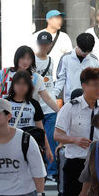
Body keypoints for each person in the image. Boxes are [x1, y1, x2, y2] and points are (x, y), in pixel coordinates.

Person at [53, 67, 99, 196]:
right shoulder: (70, 107)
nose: (98, 89)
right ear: (84, 86)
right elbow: (57, 135)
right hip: (76, 163)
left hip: (98, 163)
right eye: (94, 85)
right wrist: (74, 139)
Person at [0, 46, 60, 115]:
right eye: (22, 58)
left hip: (27, 115)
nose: (25, 61)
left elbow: (47, 98)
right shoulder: (4, 73)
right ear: (17, 58)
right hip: (4, 113)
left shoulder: (36, 78)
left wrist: (60, 112)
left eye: (29, 59)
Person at [4, 71, 53, 162]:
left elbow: (40, 129)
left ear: (29, 86)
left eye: (24, 84)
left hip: (28, 145)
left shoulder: (34, 104)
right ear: (13, 85)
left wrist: (48, 148)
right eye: (18, 83)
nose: (21, 87)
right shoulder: (5, 103)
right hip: (8, 144)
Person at [34, 32, 60, 177]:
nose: (43, 47)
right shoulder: (31, 59)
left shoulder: (51, 60)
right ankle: (40, 170)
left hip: (50, 106)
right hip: (37, 107)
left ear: (50, 44)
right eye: (41, 44)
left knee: (51, 138)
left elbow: (51, 81)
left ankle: (51, 171)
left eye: (46, 44)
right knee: (36, 140)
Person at [55, 33, 99, 100]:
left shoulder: (94, 60)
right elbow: (60, 79)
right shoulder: (66, 58)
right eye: (83, 51)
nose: (85, 54)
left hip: (89, 100)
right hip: (70, 100)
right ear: (77, 45)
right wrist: (54, 94)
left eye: (88, 52)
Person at [33, 9, 73, 77]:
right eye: (57, 18)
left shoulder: (65, 37)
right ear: (48, 20)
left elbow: (70, 57)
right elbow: (31, 54)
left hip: (59, 77)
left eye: (61, 18)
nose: (60, 21)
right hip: (40, 75)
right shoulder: (37, 36)